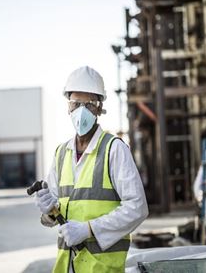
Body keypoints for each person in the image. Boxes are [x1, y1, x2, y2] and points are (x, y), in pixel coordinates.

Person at [35, 66, 149, 273]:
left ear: (99, 108)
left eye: (88, 105)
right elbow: (55, 215)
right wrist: (48, 212)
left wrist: (89, 229)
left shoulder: (114, 149)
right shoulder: (61, 153)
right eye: (76, 104)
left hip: (102, 268)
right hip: (67, 266)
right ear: (68, 106)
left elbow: (138, 207)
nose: (81, 111)